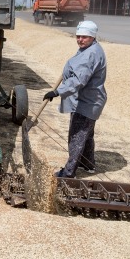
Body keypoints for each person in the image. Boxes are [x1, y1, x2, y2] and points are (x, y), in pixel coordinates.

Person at [43, 20, 107, 178]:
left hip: (86, 103)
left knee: (76, 137)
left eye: (84, 37)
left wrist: (58, 92)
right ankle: (88, 164)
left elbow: (78, 80)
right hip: (91, 100)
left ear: (92, 36)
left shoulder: (90, 54)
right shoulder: (90, 48)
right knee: (86, 135)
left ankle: (68, 173)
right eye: (78, 36)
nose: (80, 40)